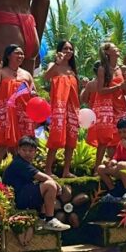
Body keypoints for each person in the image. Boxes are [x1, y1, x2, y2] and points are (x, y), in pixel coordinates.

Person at [1, 136, 70, 231]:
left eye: (30, 150)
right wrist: (57, 186)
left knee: (45, 186)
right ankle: (50, 220)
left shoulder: (25, 163)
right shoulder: (19, 163)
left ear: (35, 151)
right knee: (50, 185)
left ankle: (42, 218)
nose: (27, 153)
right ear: (18, 150)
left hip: (22, 195)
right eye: (24, 150)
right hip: (16, 199)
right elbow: (43, 177)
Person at [0, 43, 36, 166]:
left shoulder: (26, 74)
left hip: (23, 114)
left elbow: (34, 91)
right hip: (6, 113)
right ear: (9, 56)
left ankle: (22, 175)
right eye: (17, 53)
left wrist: (33, 93)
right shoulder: (2, 71)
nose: (21, 56)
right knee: (1, 145)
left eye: (22, 53)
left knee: (24, 146)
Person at [43, 39, 81, 178]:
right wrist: (58, 63)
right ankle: (48, 170)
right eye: (65, 49)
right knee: (56, 137)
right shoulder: (54, 65)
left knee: (71, 139)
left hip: (72, 108)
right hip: (59, 108)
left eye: (71, 49)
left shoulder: (72, 70)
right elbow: (46, 77)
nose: (68, 52)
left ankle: (66, 171)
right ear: (59, 50)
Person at [88, 42, 126, 169]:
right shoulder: (102, 69)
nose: (117, 49)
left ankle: (113, 166)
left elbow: (125, 91)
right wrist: (119, 87)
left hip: (120, 106)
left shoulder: (122, 69)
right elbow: (100, 90)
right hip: (106, 106)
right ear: (107, 53)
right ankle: (96, 168)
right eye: (114, 47)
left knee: (117, 138)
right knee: (104, 139)